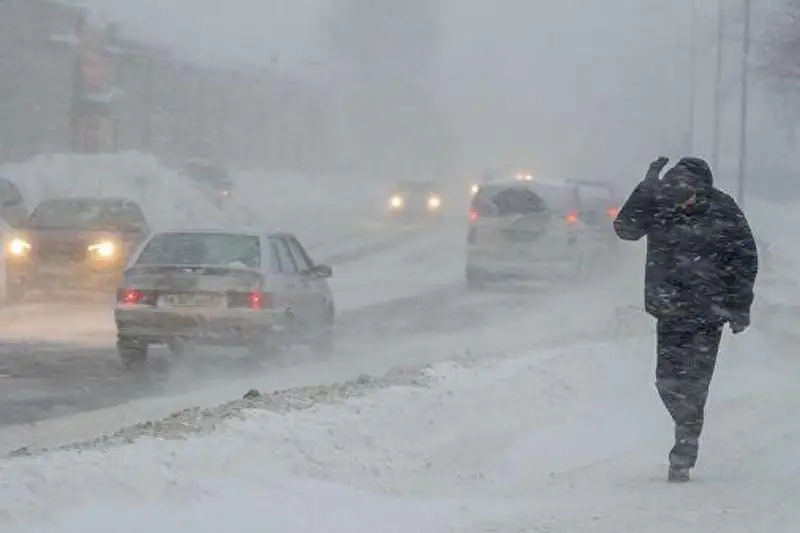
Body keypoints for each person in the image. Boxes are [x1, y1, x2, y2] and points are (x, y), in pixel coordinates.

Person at [613, 156, 759, 482]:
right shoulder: (661, 203)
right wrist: (645, 189)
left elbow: (745, 259)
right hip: (670, 310)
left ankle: (684, 447)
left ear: (701, 189)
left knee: (695, 383)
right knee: (666, 380)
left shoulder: (724, 209)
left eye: (689, 196)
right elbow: (625, 229)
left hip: (709, 314)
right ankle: (686, 425)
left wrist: (740, 306)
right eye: (678, 196)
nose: (684, 203)